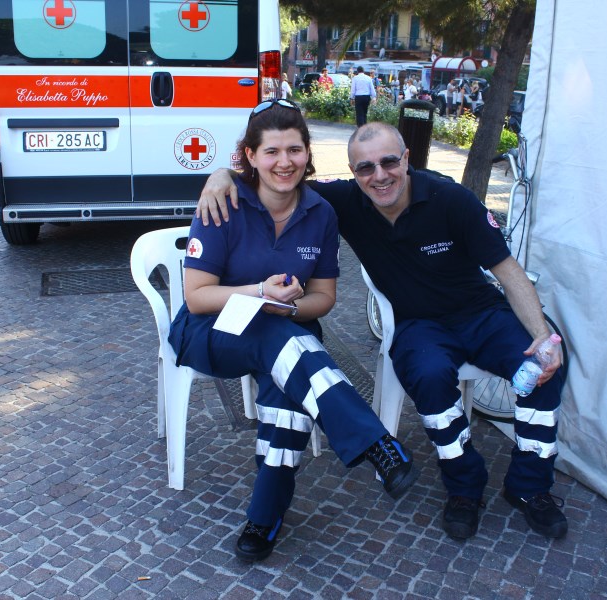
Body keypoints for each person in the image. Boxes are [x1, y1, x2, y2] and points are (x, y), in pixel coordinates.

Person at [196, 122, 569, 542]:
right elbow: (281, 179)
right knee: (427, 376)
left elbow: (507, 270)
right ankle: (464, 486)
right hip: (418, 325)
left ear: (407, 159)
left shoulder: (450, 199)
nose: (379, 175)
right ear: (353, 172)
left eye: (389, 162)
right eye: (365, 167)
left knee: (543, 364)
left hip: (481, 313)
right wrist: (222, 175)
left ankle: (530, 485)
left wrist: (541, 335)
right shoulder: (344, 201)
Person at [170, 103, 419, 562]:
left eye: (294, 149)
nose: (284, 161)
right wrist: (260, 293)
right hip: (209, 332)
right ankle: (375, 441)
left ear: (307, 154)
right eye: (271, 152)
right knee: (280, 340)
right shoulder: (223, 202)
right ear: (250, 155)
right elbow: (197, 296)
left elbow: (323, 297)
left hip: (283, 334)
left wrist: (287, 307)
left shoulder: (320, 213)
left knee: (286, 380)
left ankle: (264, 517)